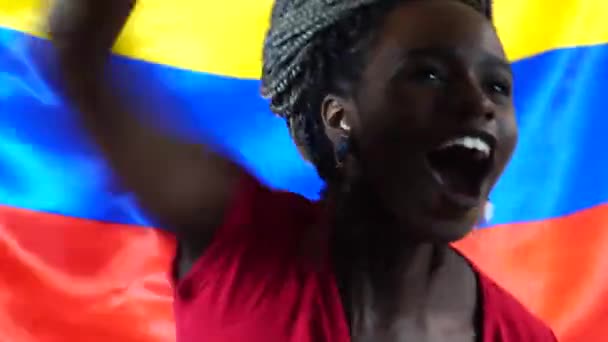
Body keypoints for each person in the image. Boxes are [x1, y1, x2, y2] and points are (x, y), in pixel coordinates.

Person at [49, 0, 558, 341]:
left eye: (498, 86)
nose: (479, 104)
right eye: (427, 74)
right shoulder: (243, 245)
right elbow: (80, 60)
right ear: (340, 116)